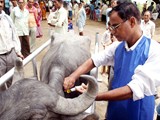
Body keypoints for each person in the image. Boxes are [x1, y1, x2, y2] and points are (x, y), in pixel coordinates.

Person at [63, 2, 160, 120]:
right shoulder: (118, 47)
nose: (112, 31)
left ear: (132, 22)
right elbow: (95, 60)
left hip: (137, 112)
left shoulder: (153, 50)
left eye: (115, 26)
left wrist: (93, 95)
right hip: (115, 107)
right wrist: (73, 76)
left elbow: (133, 89)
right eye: (110, 27)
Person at [0, 0, 23, 91]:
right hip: (0, 57)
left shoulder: (7, 18)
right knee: (1, 83)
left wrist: (18, 51)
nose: (0, 4)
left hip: (11, 54)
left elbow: (14, 35)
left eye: (1, 2)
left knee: (12, 80)